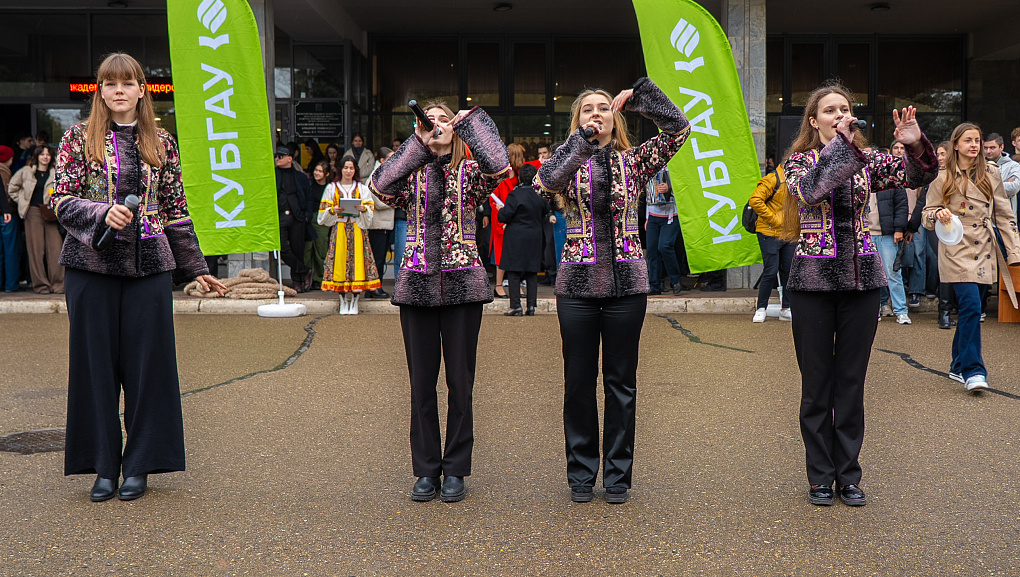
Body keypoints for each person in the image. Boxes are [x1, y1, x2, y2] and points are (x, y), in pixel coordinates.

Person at [51, 52, 226, 502]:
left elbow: (176, 210)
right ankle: (103, 466)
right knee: (94, 368)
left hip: (150, 267)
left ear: (142, 90)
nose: (119, 91)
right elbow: (60, 198)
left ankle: (141, 464)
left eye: (127, 83)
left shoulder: (162, 142)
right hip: (89, 266)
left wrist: (197, 268)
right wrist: (101, 213)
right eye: (110, 84)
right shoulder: (77, 138)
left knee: (150, 368)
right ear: (100, 91)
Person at [780, 84, 937, 508]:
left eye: (844, 109)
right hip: (812, 283)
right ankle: (820, 476)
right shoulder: (799, 161)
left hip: (862, 282)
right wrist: (843, 145)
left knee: (850, 383)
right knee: (817, 386)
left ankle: (848, 475)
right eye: (829, 110)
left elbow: (918, 175)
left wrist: (915, 145)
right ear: (813, 120)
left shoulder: (868, 159)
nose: (839, 115)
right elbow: (810, 190)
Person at [535, 77, 690, 505]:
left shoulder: (635, 161)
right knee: (578, 382)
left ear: (615, 117)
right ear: (578, 120)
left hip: (627, 284)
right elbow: (544, 183)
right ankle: (581, 474)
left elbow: (679, 130)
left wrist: (642, 98)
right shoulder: (568, 158)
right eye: (588, 109)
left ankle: (618, 475)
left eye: (603, 108)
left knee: (621, 382)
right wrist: (580, 144)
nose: (596, 114)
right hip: (577, 284)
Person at [369, 99, 509, 503]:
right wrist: (417, 145)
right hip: (417, 285)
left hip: (464, 284)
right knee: (421, 383)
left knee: (460, 382)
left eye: (442, 119)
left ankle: (457, 469)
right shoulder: (411, 172)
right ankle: (427, 469)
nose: (435, 125)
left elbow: (500, 166)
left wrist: (470, 126)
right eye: (428, 120)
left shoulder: (471, 172)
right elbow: (379, 186)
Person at [923, 123, 1020, 392]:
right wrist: (938, 214)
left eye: (977, 140)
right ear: (955, 144)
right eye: (968, 140)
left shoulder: (991, 172)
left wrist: (1014, 252)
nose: (974, 145)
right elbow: (926, 213)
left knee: (971, 309)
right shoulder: (942, 176)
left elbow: (1004, 213)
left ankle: (957, 365)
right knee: (972, 307)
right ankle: (973, 370)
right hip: (956, 247)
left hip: (984, 248)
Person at [318, 155, 380, 314]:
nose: (348, 171)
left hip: (357, 229)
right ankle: (342, 300)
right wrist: (333, 210)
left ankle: (355, 300)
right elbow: (322, 215)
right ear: (341, 169)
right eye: (345, 168)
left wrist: (363, 209)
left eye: (351, 168)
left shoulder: (362, 188)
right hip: (339, 230)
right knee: (339, 263)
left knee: (357, 263)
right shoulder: (332, 188)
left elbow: (370, 212)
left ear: (355, 170)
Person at [7, 145, 63, 293]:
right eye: (42, 154)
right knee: (36, 250)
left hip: (50, 213)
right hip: (32, 212)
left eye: (48, 154)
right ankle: (41, 285)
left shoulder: (56, 172)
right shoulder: (26, 171)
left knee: (56, 249)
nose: (45, 157)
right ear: (36, 156)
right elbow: (12, 187)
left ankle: (58, 284)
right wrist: (22, 201)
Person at [497, 163, 547, 316]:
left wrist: (501, 210)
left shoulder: (515, 195)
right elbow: (546, 210)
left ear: (519, 178)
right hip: (535, 235)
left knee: (513, 272)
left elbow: (504, 216)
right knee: (532, 272)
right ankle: (531, 306)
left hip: (516, 236)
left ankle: (515, 306)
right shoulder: (540, 194)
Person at [868, 147, 911, 324]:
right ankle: (874, 309)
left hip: (886, 234)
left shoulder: (892, 180)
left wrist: (899, 229)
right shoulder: (859, 179)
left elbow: (902, 205)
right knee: (870, 275)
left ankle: (901, 311)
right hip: (866, 235)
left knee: (893, 273)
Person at [748, 163, 794, 322]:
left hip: (790, 233)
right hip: (769, 232)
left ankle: (786, 308)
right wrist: (774, 219)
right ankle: (761, 308)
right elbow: (755, 200)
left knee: (790, 271)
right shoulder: (773, 179)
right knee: (770, 270)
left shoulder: (798, 180)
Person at [490, 143, 534, 298]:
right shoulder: (502, 173)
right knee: (501, 251)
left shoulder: (519, 173)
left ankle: (517, 284)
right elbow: (494, 197)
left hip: (515, 215)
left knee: (517, 251)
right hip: (502, 215)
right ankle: (498, 285)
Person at [274, 145, 312, 292]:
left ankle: (297, 282)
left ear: (290, 159)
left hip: (297, 216)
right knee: (282, 249)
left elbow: (308, 197)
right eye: (276, 156)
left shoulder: (300, 177)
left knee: (298, 249)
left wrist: (307, 215)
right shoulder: (273, 175)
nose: (277, 159)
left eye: (280, 156)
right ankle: (304, 270)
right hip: (280, 216)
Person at [645, 166, 687, 295]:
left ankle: (675, 280)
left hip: (671, 214)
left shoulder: (676, 165)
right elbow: (648, 195)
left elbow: (686, 186)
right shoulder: (648, 168)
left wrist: (670, 188)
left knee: (665, 246)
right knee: (652, 251)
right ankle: (654, 285)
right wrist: (647, 217)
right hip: (653, 215)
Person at [365, 147, 394, 299]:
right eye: (390, 158)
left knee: (380, 257)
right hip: (378, 224)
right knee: (378, 258)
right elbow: (376, 200)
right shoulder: (377, 174)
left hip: (383, 223)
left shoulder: (383, 173)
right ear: (382, 160)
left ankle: (375, 287)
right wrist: (395, 202)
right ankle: (374, 288)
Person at [304, 160, 331, 290]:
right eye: (316, 170)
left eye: (320, 171)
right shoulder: (309, 184)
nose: (317, 173)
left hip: (323, 220)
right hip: (310, 218)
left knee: (321, 249)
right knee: (307, 249)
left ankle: (319, 278)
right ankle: (307, 277)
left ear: (326, 174)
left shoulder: (330, 188)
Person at [0, 145, 18, 292]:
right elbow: (5, 192)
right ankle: (11, 285)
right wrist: (7, 208)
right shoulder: (5, 172)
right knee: (10, 250)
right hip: (6, 215)